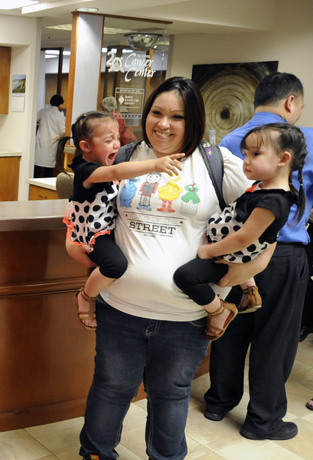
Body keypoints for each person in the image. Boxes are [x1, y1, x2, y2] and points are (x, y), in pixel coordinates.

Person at [66, 77, 265, 460]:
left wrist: (235, 278)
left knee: (170, 395)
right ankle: (95, 453)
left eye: (177, 116)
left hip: (185, 317)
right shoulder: (123, 157)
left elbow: (266, 223)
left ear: (194, 121)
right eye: (157, 113)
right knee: (110, 387)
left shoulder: (216, 162)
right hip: (120, 309)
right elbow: (84, 218)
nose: (163, 124)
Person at [204, 72, 313, 441]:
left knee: (231, 326)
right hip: (283, 254)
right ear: (290, 103)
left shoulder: (227, 141)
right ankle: (263, 420)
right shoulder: (303, 141)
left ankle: (218, 401)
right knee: (275, 337)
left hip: (231, 253)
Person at [174, 124, 306, 341]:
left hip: (225, 255)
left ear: (283, 159)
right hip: (225, 246)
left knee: (186, 277)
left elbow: (245, 237)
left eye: (255, 154)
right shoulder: (264, 186)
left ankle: (219, 311)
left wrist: (210, 250)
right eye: (246, 154)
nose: (246, 160)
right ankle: (249, 290)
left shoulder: (273, 201)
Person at [64, 111, 184, 329]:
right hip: (92, 235)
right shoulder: (86, 169)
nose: (117, 145)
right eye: (109, 140)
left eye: (117, 138)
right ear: (85, 146)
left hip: (108, 228)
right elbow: (118, 171)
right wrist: (155, 164)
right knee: (115, 265)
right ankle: (86, 296)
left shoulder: (104, 165)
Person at [35, 94, 66, 178]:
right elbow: (63, 131)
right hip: (52, 142)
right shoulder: (60, 115)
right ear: (60, 104)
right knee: (49, 167)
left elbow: (33, 119)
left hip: (41, 141)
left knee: (37, 165)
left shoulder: (43, 112)